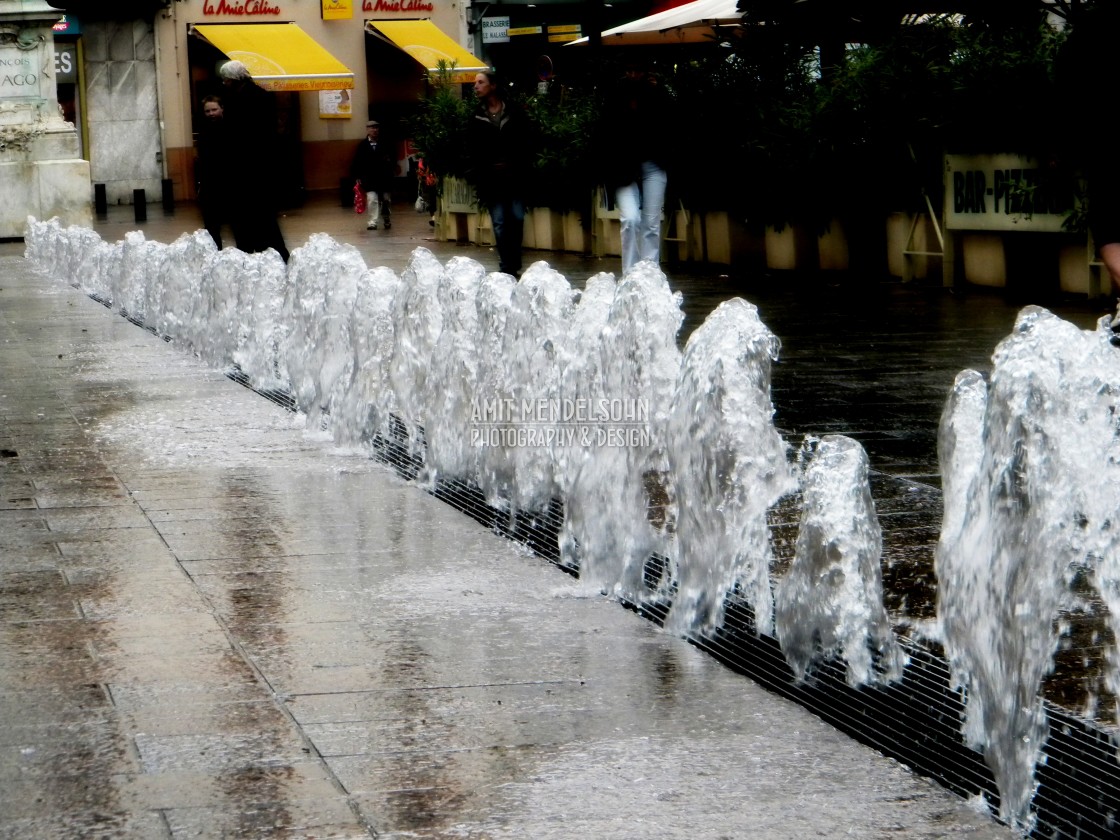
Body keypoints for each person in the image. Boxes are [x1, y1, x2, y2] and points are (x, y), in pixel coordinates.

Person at [600, 61, 677, 275]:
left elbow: (670, 124)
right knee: (631, 219)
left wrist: (656, 93)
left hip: (653, 163)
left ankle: (650, 275)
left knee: (651, 223)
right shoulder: (617, 96)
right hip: (624, 168)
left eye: (638, 70)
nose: (634, 75)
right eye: (631, 69)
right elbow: (607, 133)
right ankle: (630, 276)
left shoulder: (657, 95)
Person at [217, 60, 290, 262]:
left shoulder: (243, 99)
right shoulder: (259, 95)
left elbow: (242, 135)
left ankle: (255, 252)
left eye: (225, 79)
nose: (224, 83)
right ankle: (272, 252)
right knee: (262, 214)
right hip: (258, 166)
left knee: (252, 214)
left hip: (249, 167)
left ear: (233, 79)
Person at [466, 70, 532, 277]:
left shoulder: (513, 111)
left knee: (517, 218)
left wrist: (521, 165)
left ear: (492, 85)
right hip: (492, 180)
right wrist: (478, 173)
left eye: (480, 82)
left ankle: (514, 261)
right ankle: (507, 267)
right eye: (475, 83)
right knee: (500, 222)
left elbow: (527, 140)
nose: (476, 86)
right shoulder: (477, 117)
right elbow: (472, 149)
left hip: (515, 177)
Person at [195, 94, 231, 249]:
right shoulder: (203, 132)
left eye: (214, 110)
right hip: (210, 185)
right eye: (207, 111)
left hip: (229, 183)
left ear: (222, 109)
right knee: (211, 226)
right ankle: (215, 254)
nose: (211, 114)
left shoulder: (230, 129)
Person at [351, 120, 395, 230]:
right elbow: (357, 161)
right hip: (369, 177)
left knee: (386, 200)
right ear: (367, 130)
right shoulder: (362, 145)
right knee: (372, 199)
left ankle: (386, 217)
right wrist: (358, 176)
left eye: (376, 128)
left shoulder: (386, 143)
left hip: (384, 176)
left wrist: (391, 168)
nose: (374, 130)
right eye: (372, 128)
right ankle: (372, 221)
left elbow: (393, 158)